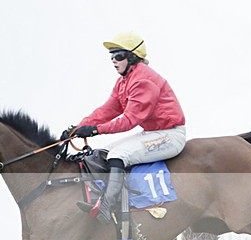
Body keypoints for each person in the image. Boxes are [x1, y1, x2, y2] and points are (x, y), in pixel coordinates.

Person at [66, 32, 186, 224]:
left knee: (117, 156)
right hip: (151, 133)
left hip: (170, 135)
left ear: (132, 57)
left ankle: (107, 207)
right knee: (103, 153)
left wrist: (95, 130)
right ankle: (104, 198)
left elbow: (129, 120)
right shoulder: (124, 81)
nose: (114, 61)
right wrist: (79, 127)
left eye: (118, 56)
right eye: (111, 56)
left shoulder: (143, 80)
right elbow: (108, 109)